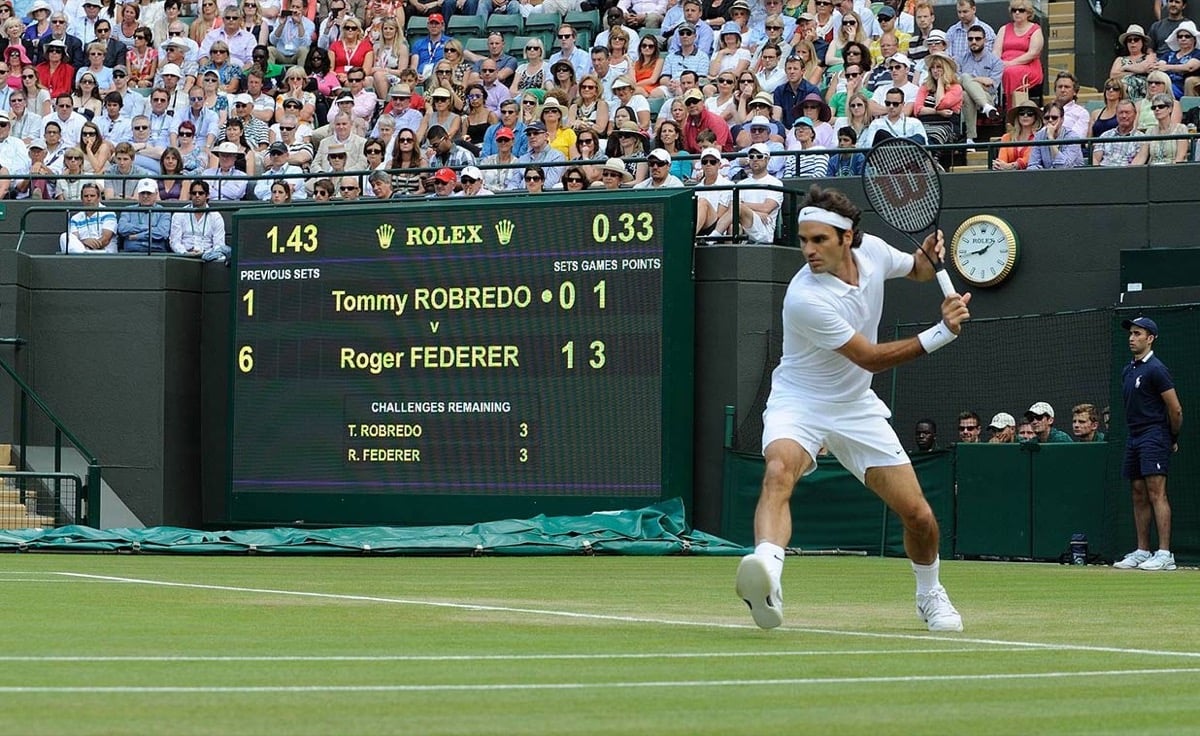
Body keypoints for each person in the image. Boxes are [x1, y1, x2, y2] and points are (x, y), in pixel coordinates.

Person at [734, 184, 968, 633]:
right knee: (779, 470)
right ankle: (766, 574)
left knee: (918, 515)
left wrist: (931, 255)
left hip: (855, 405)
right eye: (803, 240)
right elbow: (869, 357)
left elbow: (917, 269)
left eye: (818, 240)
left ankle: (929, 594)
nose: (808, 250)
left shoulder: (875, 252)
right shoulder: (806, 297)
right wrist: (942, 332)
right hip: (799, 401)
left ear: (848, 237)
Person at [1113, 316, 1183, 572]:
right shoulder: (1128, 370)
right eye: (1131, 333)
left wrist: (1171, 438)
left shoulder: (1157, 369)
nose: (1132, 338)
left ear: (1150, 338)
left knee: (1157, 493)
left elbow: (1175, 410)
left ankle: (1165, 554)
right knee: (1138, 493)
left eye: (1138, 333)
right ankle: (1143, 551)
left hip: (1155, 435)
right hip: (1134, 436)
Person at [717, 142, 781, 244]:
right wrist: (757, 213)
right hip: (744, 223)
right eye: (751, 156)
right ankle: (729, 256)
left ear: (767, 159)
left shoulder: (775, 183)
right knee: (734, 226)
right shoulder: (742, 183)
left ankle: (715, 235)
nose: (755, 159)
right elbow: (732, 207)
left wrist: (742, 206)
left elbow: (767, 208)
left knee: (738, 207)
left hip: (764, 229)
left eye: (759, 156)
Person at [994, 0, 1042, 109]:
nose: (1017, 13)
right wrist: (998, 63)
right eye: (1014, 10)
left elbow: (1033, 53)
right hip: (1004, 64)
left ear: (1028, 13)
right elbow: (996, 51)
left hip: (1028, 65)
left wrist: (1010, 63)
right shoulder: (1004, 29)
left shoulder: (1035, 29)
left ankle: (1012, 108)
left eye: (1021, 10)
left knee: (1010, 72)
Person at [170, 179, 227, 258]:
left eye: (201, 193)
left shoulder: (216, 216)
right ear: (190, 195)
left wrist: (205, 253)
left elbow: (219, 244)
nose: (197, 195)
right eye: (194, 193)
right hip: (184, 257)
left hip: (209, 257)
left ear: (207, 195)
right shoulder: (179, 214)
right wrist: (185, 253)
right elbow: (174, 242)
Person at [59, 181, 117, 253]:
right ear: (82, 199)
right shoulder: (75, 218)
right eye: (86, 196)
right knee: (64, 236)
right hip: (82, 252)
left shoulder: (108, 213)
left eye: (92, 196)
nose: (89, 199)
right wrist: (84, 241)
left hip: (105, 253)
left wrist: (86, 245)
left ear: (99, 198)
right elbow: (74, 240)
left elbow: (105, 240)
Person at [116, 177, 171, 251]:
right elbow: (122, 228)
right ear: (138, 194)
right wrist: (149, 228)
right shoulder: (128, 209)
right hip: (133, 251)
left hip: (155, 250)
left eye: (149, 193)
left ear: (156, 194)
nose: (145, 196)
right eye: (142, 193)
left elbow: (162, 233)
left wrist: (137, 236)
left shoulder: (164, 211)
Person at [1026, 102, 1084, 170]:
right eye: (1047, 118)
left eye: (1054, 118)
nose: (1050, 120)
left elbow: (1063, 167)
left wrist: (1051, 138)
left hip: (1073, 177)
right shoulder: (1039, 136)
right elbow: (1033, 165)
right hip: (1047, 178)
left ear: (1062, 119)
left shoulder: (1073, 137)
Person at [1092, 100, 1149, 167]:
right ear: (1116, 114)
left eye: (1127, 112)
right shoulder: (1105, 135)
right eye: (1121, 112)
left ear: (1135, 114)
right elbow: (1095, 159)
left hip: (1127, 174)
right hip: (1103, 172)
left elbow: (1137, 164)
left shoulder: (1141, 138)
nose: (1124, 116)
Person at [1112, 24, 1157, 101]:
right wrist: (1138, 71)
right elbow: (1113, 75)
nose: (1132, 42)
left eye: (1136, 39)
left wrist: (1125, 68)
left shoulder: (1149, 56)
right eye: (1129, 40)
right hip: (1124, 97)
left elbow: (1146, 67)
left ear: (1142, 42)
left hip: (1146, 94)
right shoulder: (1120, 59)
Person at [991, 99, 1039, 171]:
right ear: (1018, 117)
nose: (1025, 115)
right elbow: (1001, 160)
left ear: (1035, 118)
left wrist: (1010, 166)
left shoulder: (1038, 137)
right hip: (1007, 177)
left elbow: (1030, 159)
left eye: (1030, 113)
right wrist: (1000, 165)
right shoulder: (1006, 137)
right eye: (1022, 113)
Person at [1144, 91, 1189, 165]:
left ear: (1170, 109)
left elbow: (1181, 156)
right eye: (1154, 107)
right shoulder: (1150, 131)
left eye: (1161, 106)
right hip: (1152, 170)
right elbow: (1141, 156)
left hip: (1173, 170)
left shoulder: (1180, 129)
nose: (1157, 109)